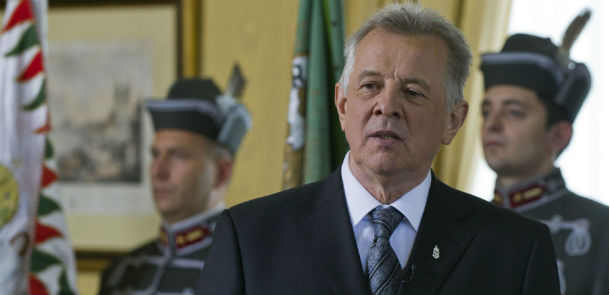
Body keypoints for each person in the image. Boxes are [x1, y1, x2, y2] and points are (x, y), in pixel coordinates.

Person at [196, 3, 560, 294]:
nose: (386, 106)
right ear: (341, 105)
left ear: (453, 120)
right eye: (370, 86)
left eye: (413, 92)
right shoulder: (250, 238)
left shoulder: (517, 250)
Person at [479, 21, 609, 295]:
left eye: (513, 112)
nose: (492, 124)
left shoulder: (602, 228)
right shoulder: (460, 223)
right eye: (487, 111)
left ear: (558, 136)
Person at [98, 75, 252, 295]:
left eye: (178, 155)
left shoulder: (248, 269)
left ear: (221, 171)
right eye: (155, 154)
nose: (158, 171)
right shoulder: (121, 273)